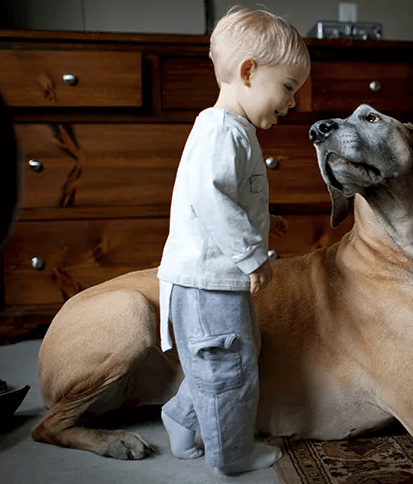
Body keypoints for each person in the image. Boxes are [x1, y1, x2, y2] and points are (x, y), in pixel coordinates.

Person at [156, 6, 310, 476]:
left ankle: (180, 416)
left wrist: (261, 231)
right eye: (287, 88)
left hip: (210, 282)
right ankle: (230, 456)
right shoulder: (223, 130)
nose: (292, 103)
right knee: (229, 371)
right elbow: (211, 196)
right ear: (248, 72)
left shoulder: (232, 130)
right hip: (207, 285)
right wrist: (250, 254)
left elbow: (231, 197)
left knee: (229, 360)